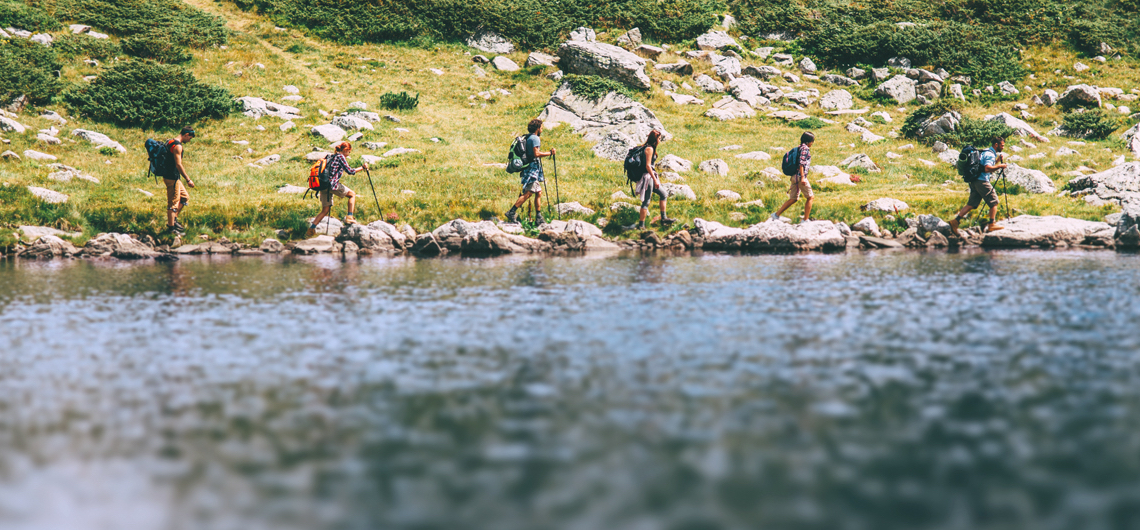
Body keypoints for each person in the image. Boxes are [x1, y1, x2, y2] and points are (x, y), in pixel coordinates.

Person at [307, 141, 368, 237]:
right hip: (333, 185)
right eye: (349, 152)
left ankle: (311, 229)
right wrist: (362, 168)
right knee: (352, 194)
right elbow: (350, 171)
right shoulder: (341, 157)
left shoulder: (332, 156)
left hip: (324, 185)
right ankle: (350, 217)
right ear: (346, 150)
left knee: (325, 210)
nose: (349, 154)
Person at [949, 136, 1006, 236]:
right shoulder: (990, 154)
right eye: (1002, 145)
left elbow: (982, 165)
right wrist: (1000, 166)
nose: (1003, 147)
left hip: (975, 181)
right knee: (994, 202)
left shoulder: (986, 152)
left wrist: (997, 161)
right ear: (996, 144)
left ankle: (955, 221)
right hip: (982, 181)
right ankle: (991, 224)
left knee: (972, 204)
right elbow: (987, 168)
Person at [505, 119, 554, 225]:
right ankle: (511, 212)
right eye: (541, 127)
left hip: (530, 168)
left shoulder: (528, 137)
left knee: (538, 192)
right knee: (528, 193)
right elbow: (536, 154)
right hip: (532, 168)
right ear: (537, 128)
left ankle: (538, 217)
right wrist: (549, 153)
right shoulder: (535, 138)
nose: (542, 129)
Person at [633, 130, 675, 229]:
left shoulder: (650, 148)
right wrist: (655, 179)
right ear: (655, 139)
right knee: (647, 201)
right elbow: (648, 166)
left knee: (663, 194)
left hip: (651, 176)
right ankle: (641, 225)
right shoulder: (649, 149)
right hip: (648, 177)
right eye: (659, 138)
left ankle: (664, 218)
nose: (660, 140)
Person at [771, 131, 815, 223]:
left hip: (794, 176)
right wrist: (802, 177)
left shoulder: (798, 148)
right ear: (808, 141)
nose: (812, 143)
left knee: (793, 198)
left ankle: (776, 215)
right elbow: (801, 163)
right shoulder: (805, 149)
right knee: (810, 197)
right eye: (812, 141)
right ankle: (805, 220)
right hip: (800, 176)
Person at [161, 127, 197, 234]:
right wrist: (188, 179)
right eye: (190, 138)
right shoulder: (177, 146)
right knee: (173, 203)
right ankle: (171, 229)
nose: (190, 140)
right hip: (172, 177)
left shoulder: (170, 141)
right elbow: (178, 164)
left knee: (184, 197)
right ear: (186, 134)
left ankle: (174, 219)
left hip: (173, 177)